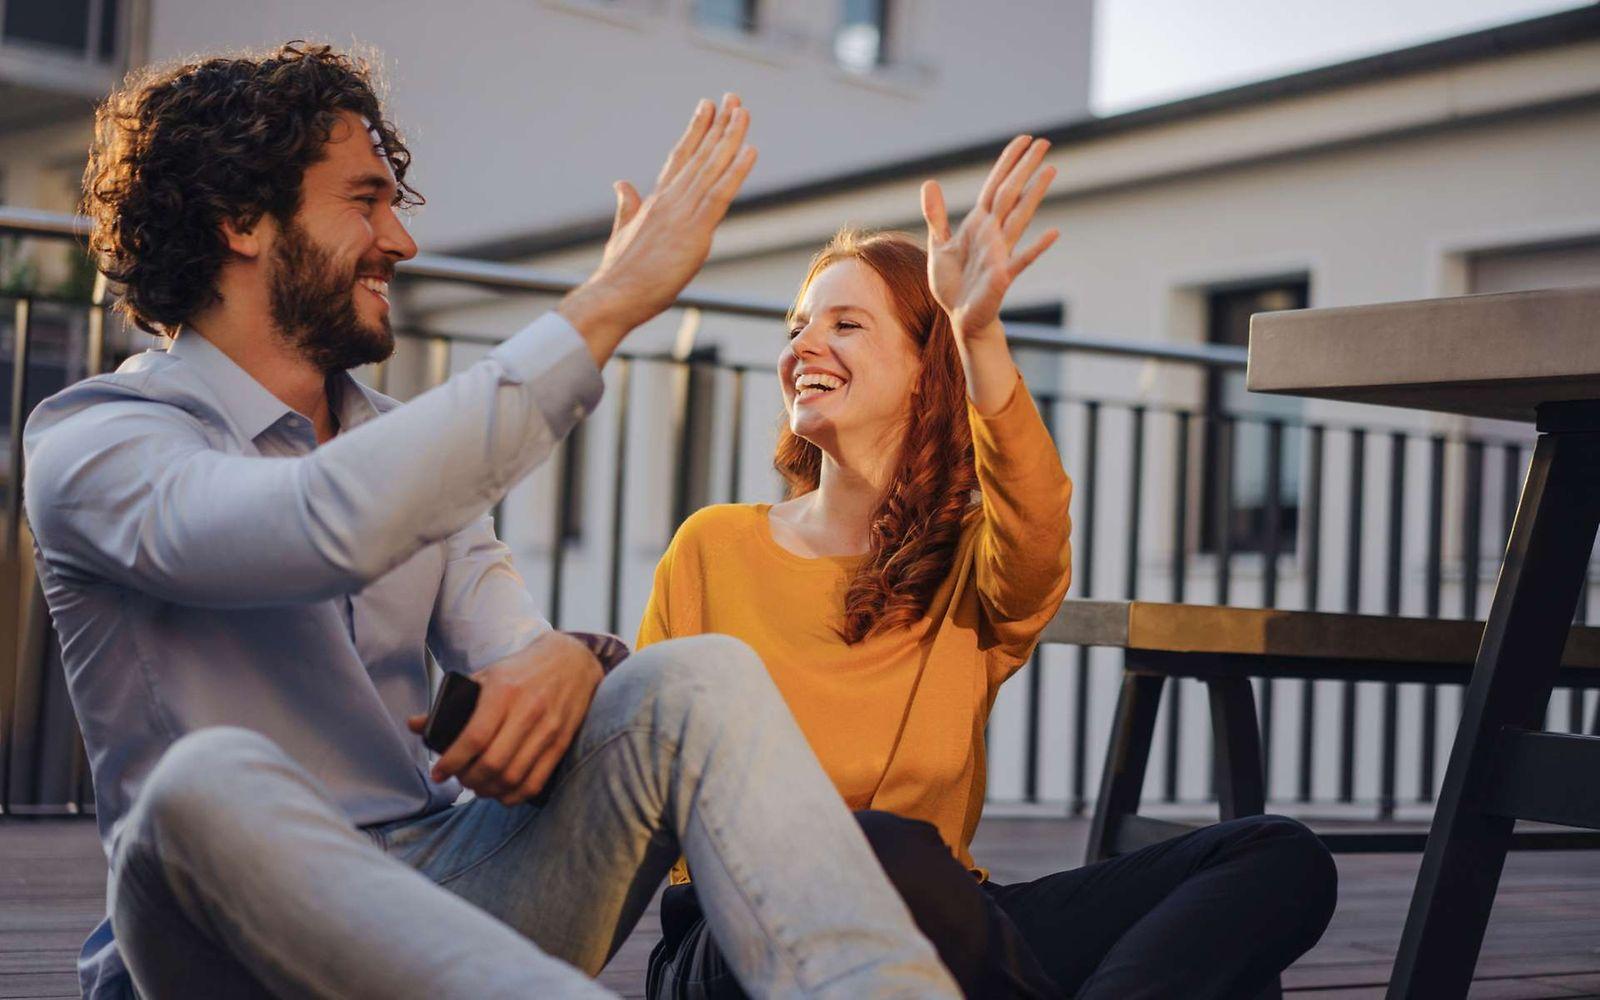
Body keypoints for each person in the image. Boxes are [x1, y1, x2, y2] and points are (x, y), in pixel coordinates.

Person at [24, 42, 960, 1000]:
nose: (402, 241)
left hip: (449, 889)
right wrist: (604, 307)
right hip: (219, 940)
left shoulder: (405, 446)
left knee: (700, 678)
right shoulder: (94, 443)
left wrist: (572, 665)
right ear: (240, 220)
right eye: (364, 201)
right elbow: (315, 522)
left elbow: (515, 650)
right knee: (201, 786)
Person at [639, 135, 1339, 998]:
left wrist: (978, 333)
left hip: (952, 920)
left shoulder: (971, 566)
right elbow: (645, 773)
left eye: (844, 324)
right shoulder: (711, 548)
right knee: (876, 847)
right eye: (798, 327)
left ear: (926, 374)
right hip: (738, 935)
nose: (802, 345)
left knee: (1277, 855)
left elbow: (1038, 525)